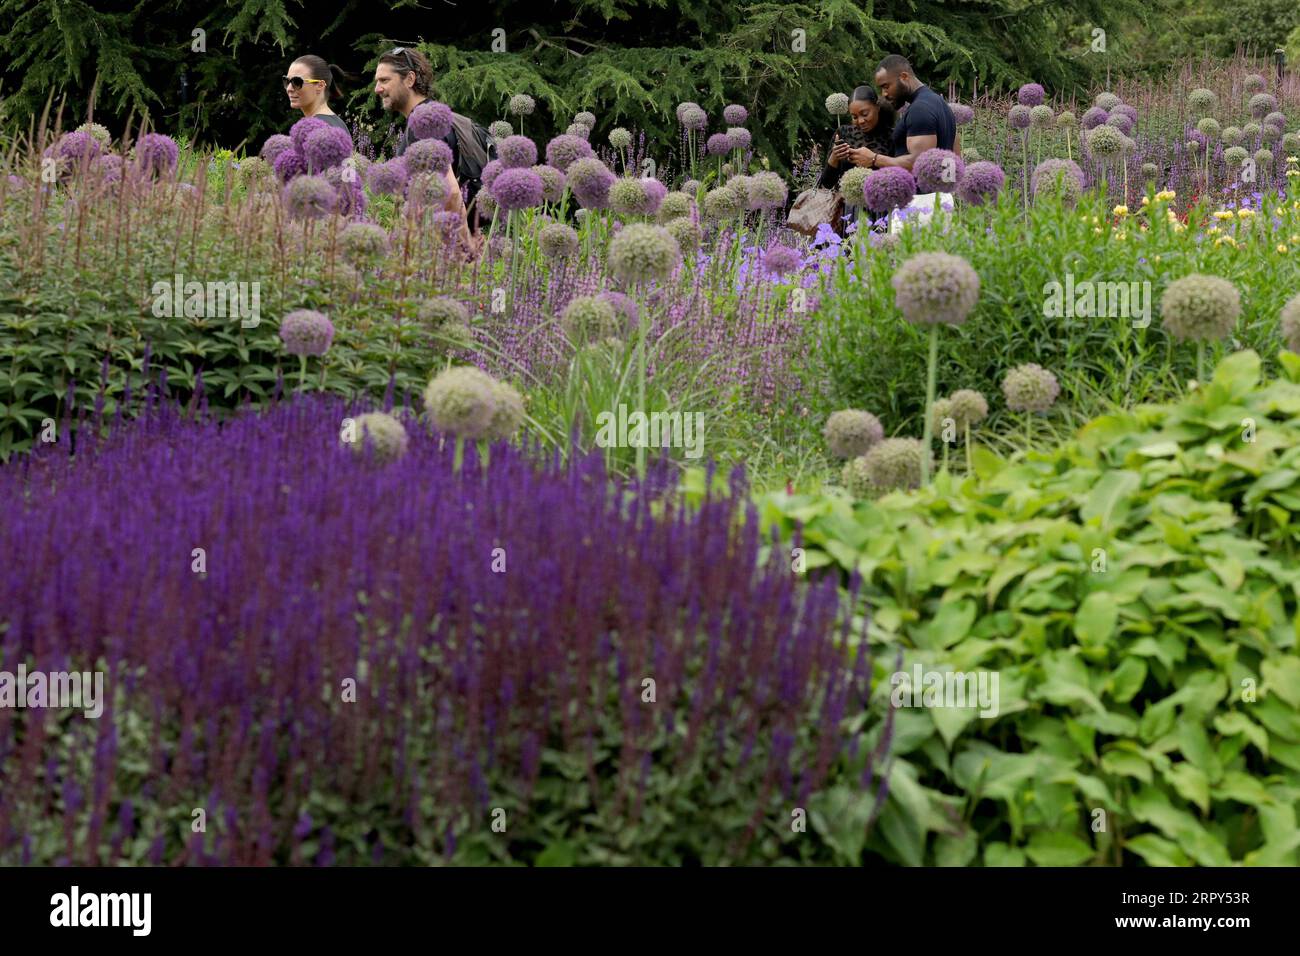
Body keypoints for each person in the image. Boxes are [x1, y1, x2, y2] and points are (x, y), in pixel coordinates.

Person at [373, 46, 479, 254]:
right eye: (377, 81)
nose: (377, 88)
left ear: (409, 79)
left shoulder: (425, 125)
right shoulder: (427, 117)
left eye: (384, 80)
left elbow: (451, 194)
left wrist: (466, 253)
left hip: (446, 248)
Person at [847, 54, 957, 173]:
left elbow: (920, 162)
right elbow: (955, 158)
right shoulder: (941, 103)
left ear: (904, 77)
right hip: (939, 190)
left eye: (886, 86)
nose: (883, 94)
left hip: (923, 192)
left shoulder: (919, 110)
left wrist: (874, 159)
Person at [819, 86, 895, 189]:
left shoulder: (892, 136)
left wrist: (874, 160)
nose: (860, 121)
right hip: (846, 202)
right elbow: (827, 184)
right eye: (854, 117)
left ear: (877, 107)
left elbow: (900, 176)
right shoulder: (843, 133)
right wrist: (834, 158)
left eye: (865, 114)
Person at [285, 55, 352, 135]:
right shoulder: (337, 123)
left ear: (320, 86)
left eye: (297, 82)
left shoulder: (315, 129)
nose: (289, 88)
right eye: (286, 81)